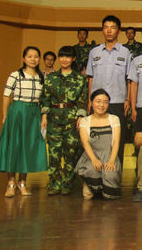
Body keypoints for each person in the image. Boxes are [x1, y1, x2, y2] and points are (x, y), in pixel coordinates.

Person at [0, 46, 47, 197]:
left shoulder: (42, 76)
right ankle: (10, 182)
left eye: (36, 56)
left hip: (33, 113)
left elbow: (44, 100)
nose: (33, 59)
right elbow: (6, 95)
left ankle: (22, 182)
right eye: (29, 56)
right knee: (14, 146)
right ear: (24, 58)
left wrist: (43, 117)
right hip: (17, 112)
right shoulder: (16, 75)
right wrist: (5, 115)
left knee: (27, 147)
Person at [40, 46, 88, 195]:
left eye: (68, 57)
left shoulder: (80, 78)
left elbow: (82, 99)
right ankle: (54, 183)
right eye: (62, 57)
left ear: (73, 59)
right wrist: (44, 116)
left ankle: (67, 183)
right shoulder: (51, 77)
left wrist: (80, 117)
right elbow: (45, 98)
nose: (64, 60)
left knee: (70, 153)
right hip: (54, 118)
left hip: (72, 119)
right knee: (54, 153)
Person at [86, 15, 132, 166]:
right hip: (97, 102)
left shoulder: (125, 52)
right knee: (96, 139)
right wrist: (89, 101)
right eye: (106, 27)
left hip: (117, 102)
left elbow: (129, 79)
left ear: (118, 30)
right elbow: (90, 78)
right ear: (102, 30)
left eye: (112, 27)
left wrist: (128, 99)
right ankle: (95, 174)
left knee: (118, 140)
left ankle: (115, 174)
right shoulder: (94, 52)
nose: (109, 30)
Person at [76, 89, 121, 200]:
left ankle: (104, 187)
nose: (101, 105)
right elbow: (85, 142)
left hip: (109, 155)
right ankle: (88, 185)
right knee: (92, 171)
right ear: (91, 103)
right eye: (98, 101)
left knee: (110, 179)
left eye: (105, 102)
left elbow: (116, 142)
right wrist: (94, 160)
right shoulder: (85, 121)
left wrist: (111, 161)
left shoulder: (114, 119)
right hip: (91, 156)